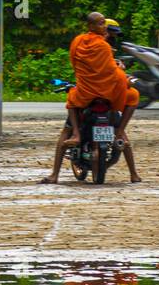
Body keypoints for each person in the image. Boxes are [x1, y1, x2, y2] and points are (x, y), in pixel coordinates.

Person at [40, 12, 140, 184]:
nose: (105, 28)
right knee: (132, 98)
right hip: (106, 93)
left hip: (86, 93)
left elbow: (76, 64)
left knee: (71, 107)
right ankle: (131, 166)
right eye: (101, 24)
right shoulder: (101, 46)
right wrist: (124, 77)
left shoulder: (80, 42)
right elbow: (111, 72)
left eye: (105, 25)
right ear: (92, 26)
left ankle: (75, 139)